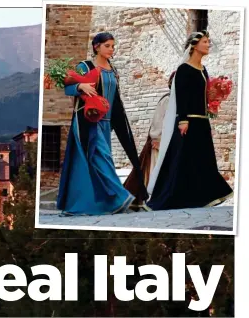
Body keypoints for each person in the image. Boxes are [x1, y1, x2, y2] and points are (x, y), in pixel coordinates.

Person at [56, 32, 148, 215]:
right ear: (96, 46)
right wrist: (80, 87)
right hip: (88, 121)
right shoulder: (85, 66)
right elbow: (67, 86)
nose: (111, 49)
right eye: (107, 46)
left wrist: (119, 121)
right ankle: (120, 197)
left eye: (113, 46)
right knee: (101, 157)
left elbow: (115, 98)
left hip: (106, 123)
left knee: (100, 160)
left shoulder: (112, 70)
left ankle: (100, 203)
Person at [146, 30, 233, 210]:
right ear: (194, 45)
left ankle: (203, 195)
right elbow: (182, 96)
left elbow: (199, 95)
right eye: (205, 42)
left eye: (209, 42)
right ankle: (168, 197)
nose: (209, 45)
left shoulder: (203, 69)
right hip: (189, 122)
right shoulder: (184, 69)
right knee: (181, 159)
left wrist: (213, 97)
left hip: (202, 120)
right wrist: (183, 120)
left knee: (203, 159)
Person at [123, 71, 175, 209]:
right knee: (155, 169)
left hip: (172, 142)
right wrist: (156, 138)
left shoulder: (180, 101)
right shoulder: (167, 100)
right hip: (160, 141)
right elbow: (158, 120)